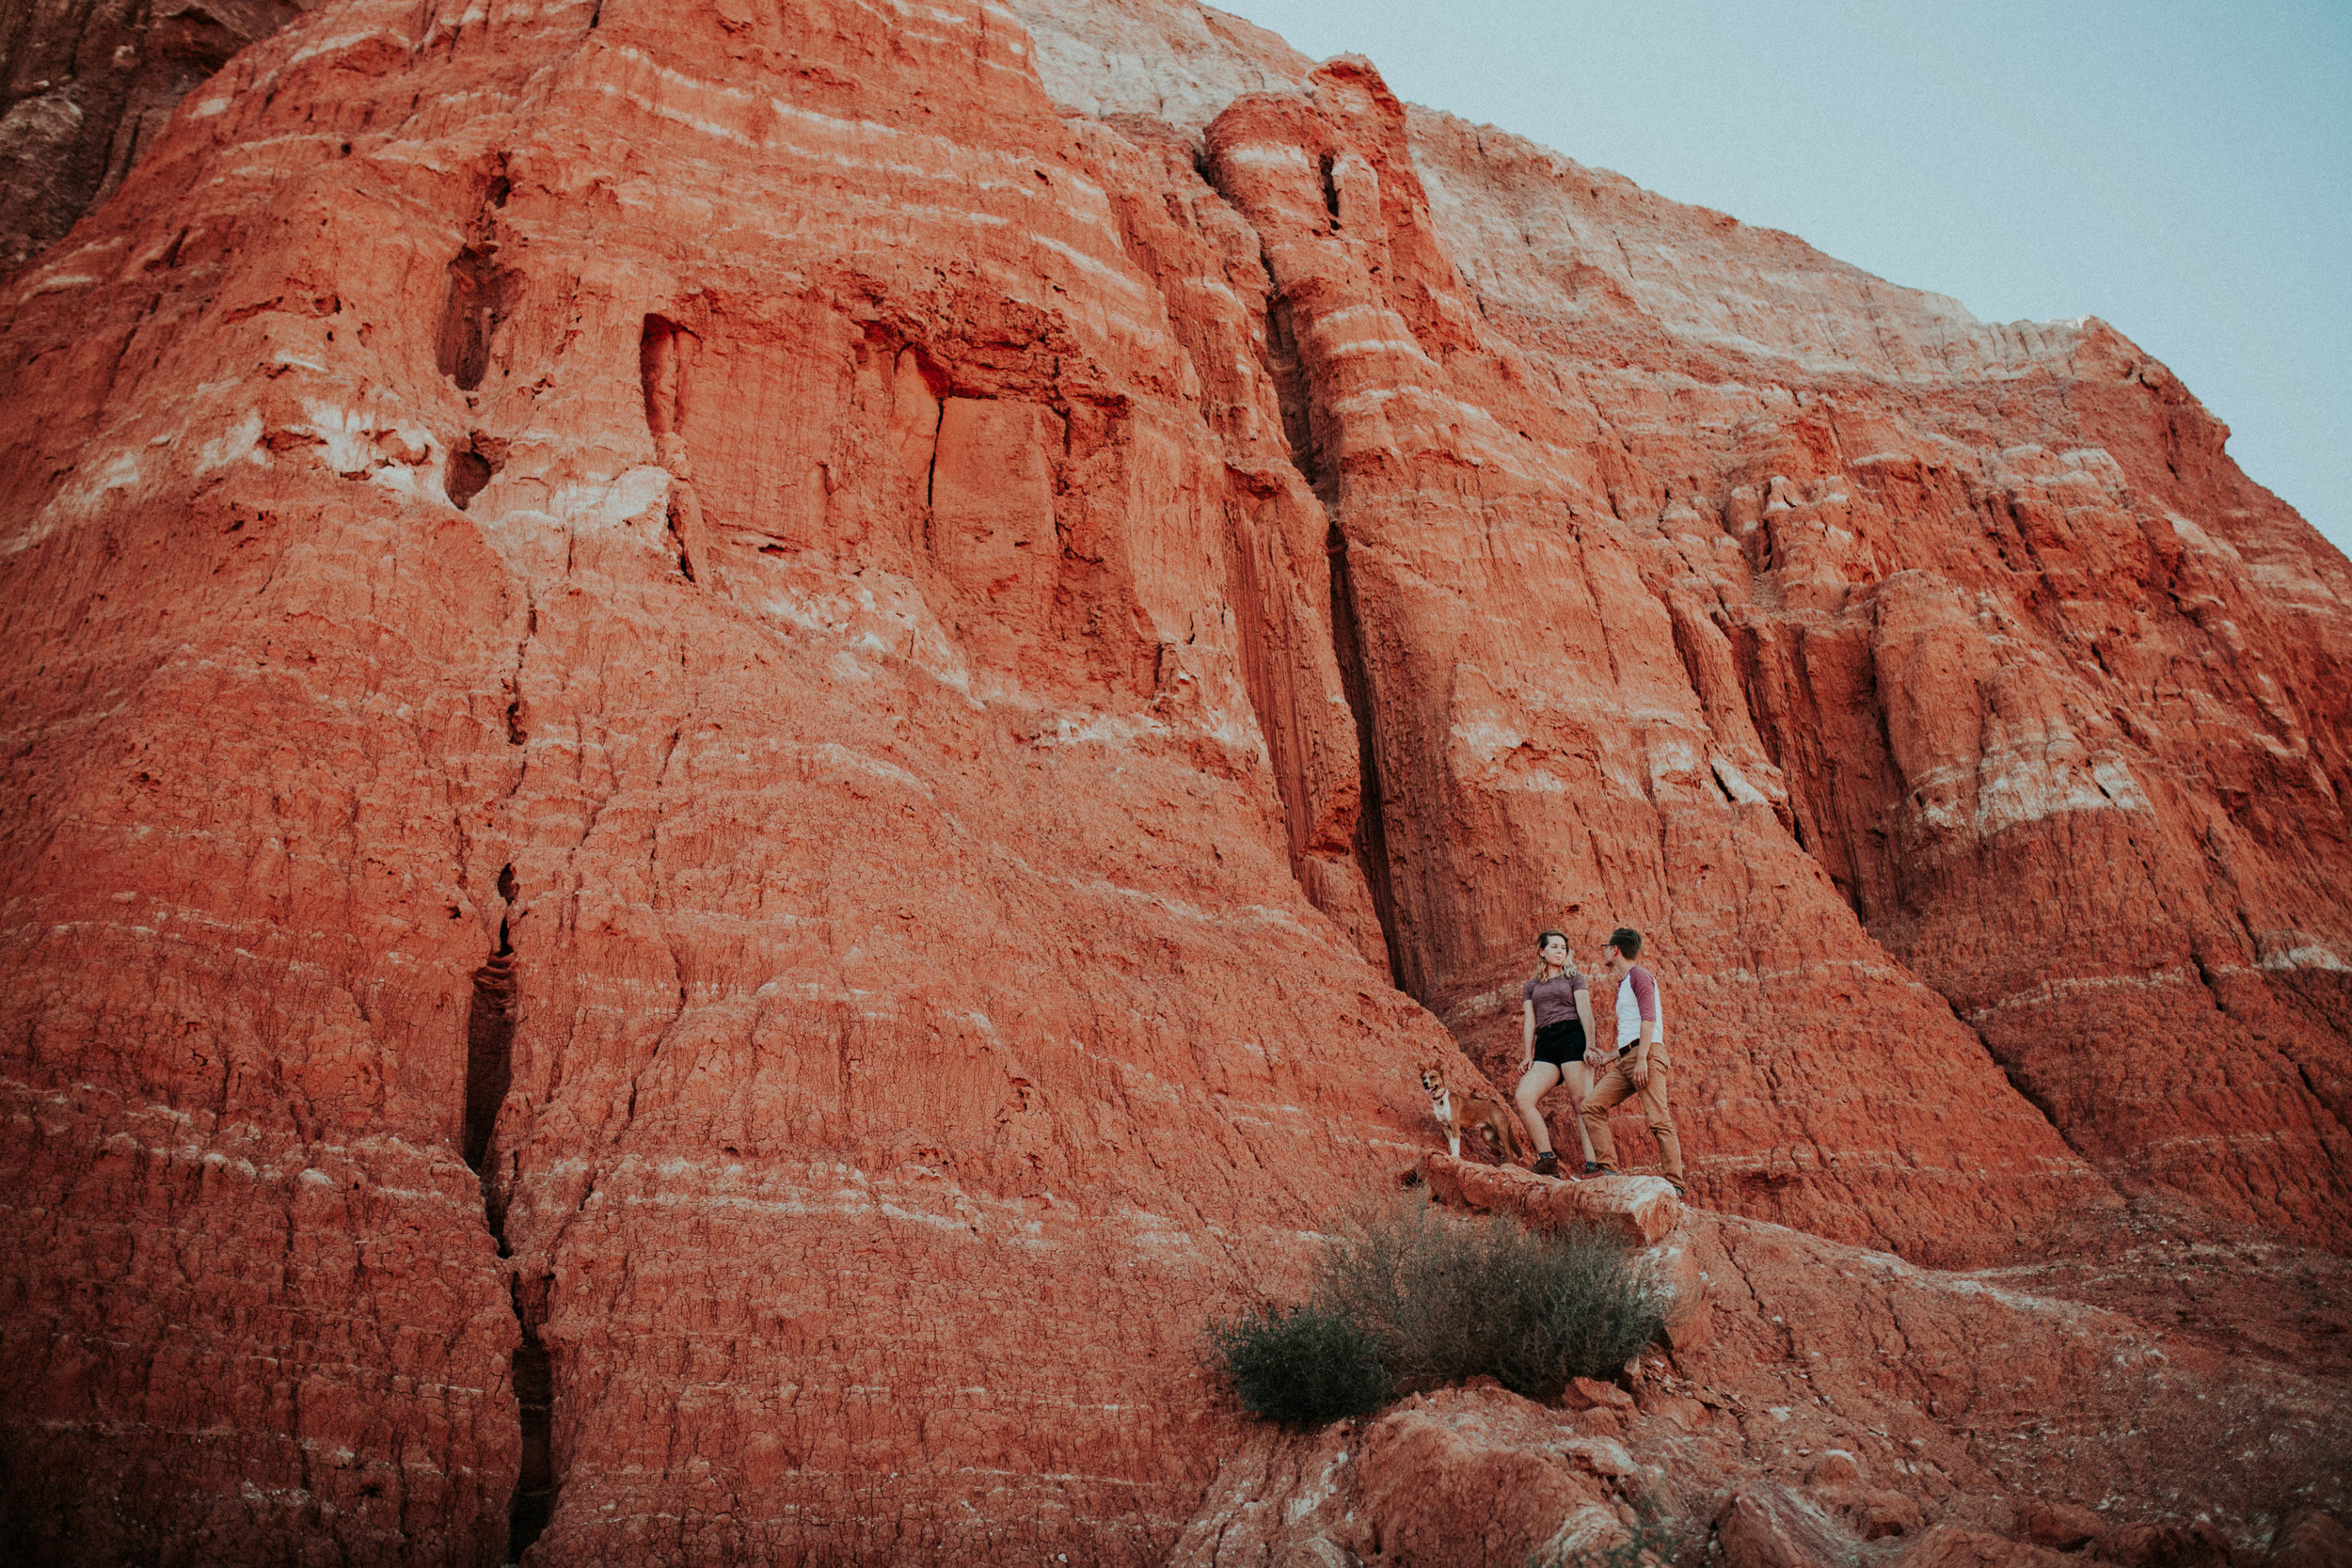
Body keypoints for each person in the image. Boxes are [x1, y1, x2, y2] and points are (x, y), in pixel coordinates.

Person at [1580, 927, 1685, 1195]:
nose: (1603, 950)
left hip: (1646, 1055)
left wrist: (1641, 1060)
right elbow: (1634, 1029)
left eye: (1606, 946)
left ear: (1615, 950)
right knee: (1592, 1105)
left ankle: (1675, 1184)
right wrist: (1610, 1056)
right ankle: (1609, 1169)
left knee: (1658, 1119)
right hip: (1628, 1057)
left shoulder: (1639, 976)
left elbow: (1649, 1019)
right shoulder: (1625, 981)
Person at [1513, 929, 1601, 1179]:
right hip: (1546, 1043)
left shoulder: (1575, 977)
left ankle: (1594, 1165)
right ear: (1542, 952)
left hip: (1573, 1036)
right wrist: (1527, 1054)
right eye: (1554, 947)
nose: (1560, 951)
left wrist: (1590, 1045)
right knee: (1524, 1097)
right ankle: (1547, 1160)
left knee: (1581, 1102)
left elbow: (1585, 1012)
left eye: (1563, 947)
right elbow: (1529, 1021)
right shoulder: (1530, 986)